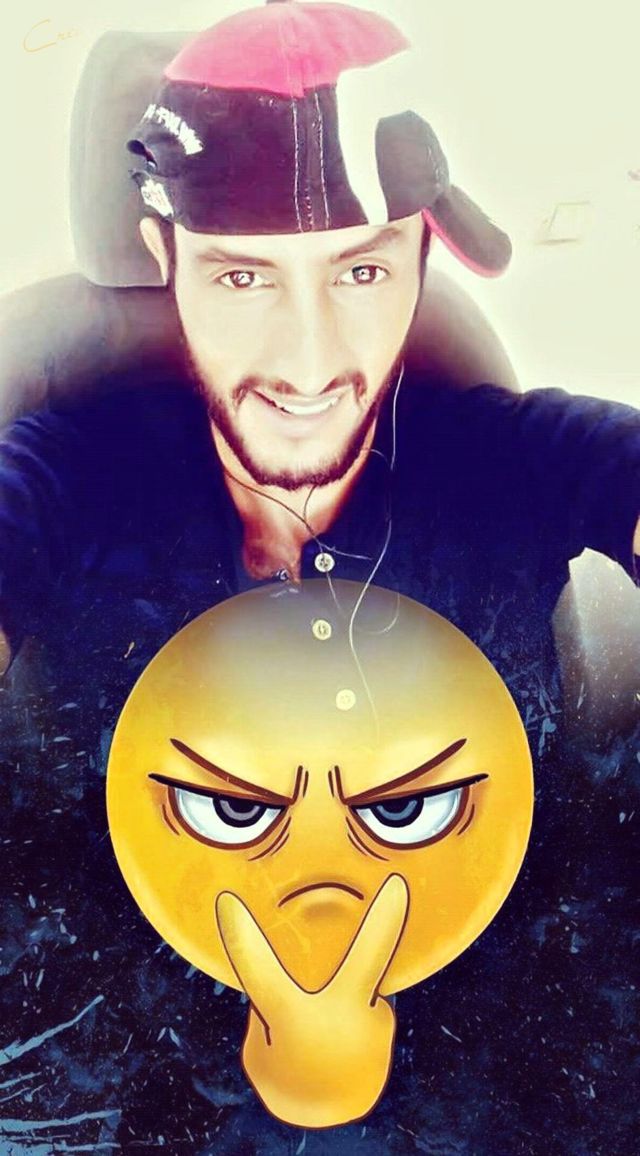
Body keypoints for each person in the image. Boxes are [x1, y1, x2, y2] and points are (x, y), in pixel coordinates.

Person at [0, 1, 638, 1149]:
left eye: (360, 271)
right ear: (166, 256)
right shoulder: (76, 464)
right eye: (244, 278)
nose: (307, 362)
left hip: (490, 1033)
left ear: (420, 257)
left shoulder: (499, 458)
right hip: (123, 1052)